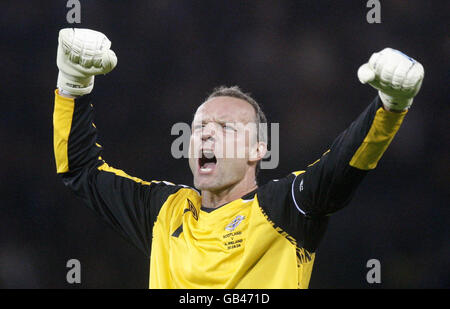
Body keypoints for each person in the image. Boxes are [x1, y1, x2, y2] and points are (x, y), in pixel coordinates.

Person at [53, 28, 424, 288]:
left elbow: (342, 167)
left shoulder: (284, 209)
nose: (207, 133)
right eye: (199, 127)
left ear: (257, 149)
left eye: (226, 127)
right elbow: (81, 170)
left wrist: (389, 107)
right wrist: (73, 84)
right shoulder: (165, 212)